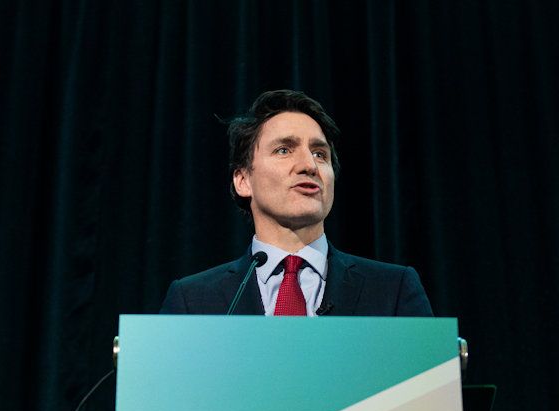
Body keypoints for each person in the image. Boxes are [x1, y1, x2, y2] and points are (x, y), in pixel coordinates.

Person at [159, 89, 433, 317]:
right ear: (243, 180)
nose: (309, 165)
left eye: (319, 153)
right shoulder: (193, 301)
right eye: (283, 150)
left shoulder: (393, 290)